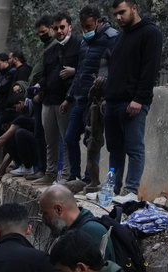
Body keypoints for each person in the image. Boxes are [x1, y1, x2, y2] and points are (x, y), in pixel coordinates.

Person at [104, 0, 163, 201]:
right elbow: (115, 70)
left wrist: (139, 98)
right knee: (114, 150)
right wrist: (107, 97)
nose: (118, 17)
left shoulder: (150, 33)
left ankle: (130, 191)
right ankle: (112, 188)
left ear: (134, 8)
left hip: (133, 102)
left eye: (122, 12)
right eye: (115, 14)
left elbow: (150, 68)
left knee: (134, 148)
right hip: (113, 103)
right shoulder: (121, 36)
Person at [62, 6, 119, 190]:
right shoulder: (84, 43)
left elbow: (117, 69)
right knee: (70, 137)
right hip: (79, 97)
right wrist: (68, 97)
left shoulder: (111, 39)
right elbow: (80, 73)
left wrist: (107, 93)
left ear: (97, 21)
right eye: (83, 27)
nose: (85, 31)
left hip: (96, 100)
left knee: (92, 141)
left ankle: (90, 180)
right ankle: (74, 176)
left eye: (88, 26)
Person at [34, 11, 81, 186]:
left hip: (66, 101)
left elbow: (85, 70)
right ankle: (50, 173)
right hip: (48, 101)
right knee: (50, 141)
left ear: (70, 26)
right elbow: (45, 75)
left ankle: (68, 175)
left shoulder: (79, 46)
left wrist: (74, 71)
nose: (59, 31)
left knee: (67, 139)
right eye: (56, 28)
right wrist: (39, 89)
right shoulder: (50, 50)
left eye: (62, 27)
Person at [0, 91, 37, 177]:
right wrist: (0, 171)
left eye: (5, 126)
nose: (5, 129)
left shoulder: (21, 120)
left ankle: (27, 167)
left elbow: (3, 139)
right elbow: (9, 154)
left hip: (37, 152)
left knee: (18, 134)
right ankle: (22, 166)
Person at [27, 15, 55, 179]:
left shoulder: (54, 47)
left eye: (43, 32)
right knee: (39, 135)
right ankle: (41, 169)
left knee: (47, 137)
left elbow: (50, 75)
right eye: (39, 33)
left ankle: (46, 170)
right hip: (38, 97)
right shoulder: (47, 47)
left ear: (52, 28)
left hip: (45, 97)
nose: (41, 35)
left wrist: (41, 92)